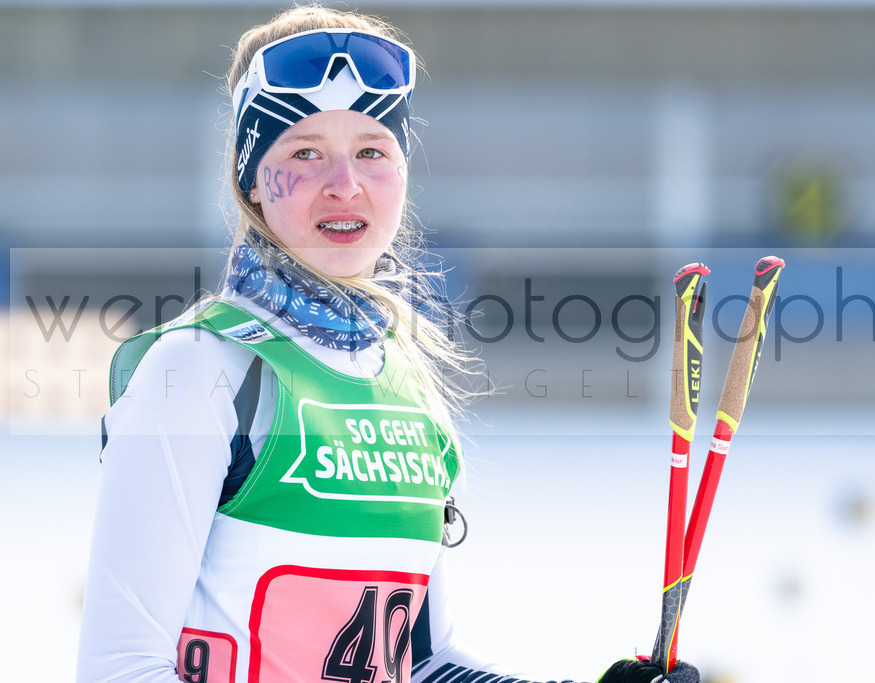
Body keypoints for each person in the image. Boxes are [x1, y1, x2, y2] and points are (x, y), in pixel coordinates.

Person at [76, 5, 700, 683]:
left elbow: (426, 663)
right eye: (304, 152)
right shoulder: (200, 368)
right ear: (254, 178)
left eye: (372, 150)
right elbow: (119, 669)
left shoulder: (407, 386)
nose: (345, 184)